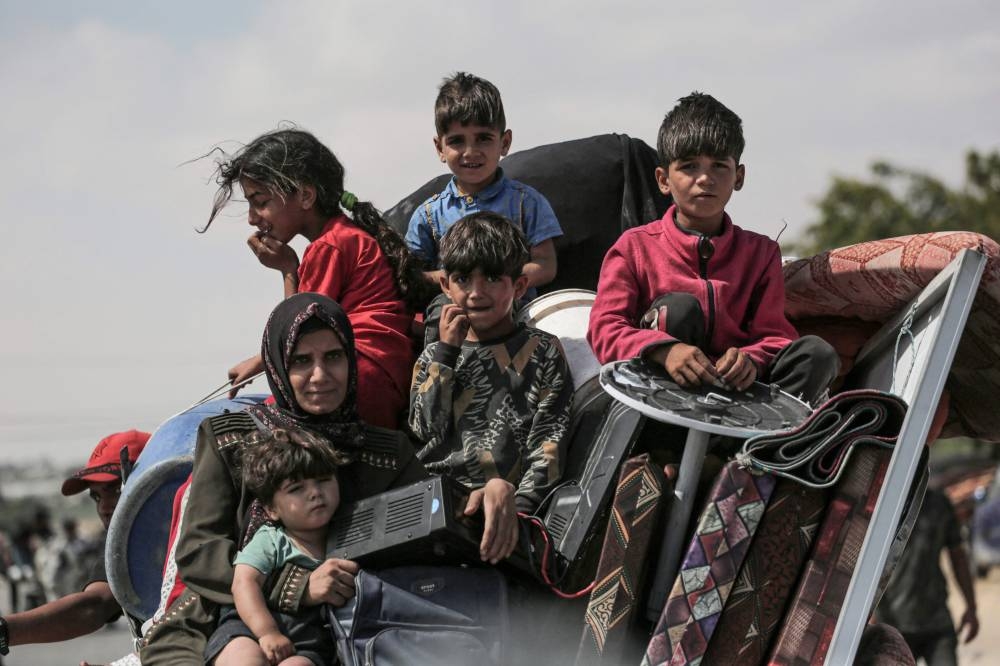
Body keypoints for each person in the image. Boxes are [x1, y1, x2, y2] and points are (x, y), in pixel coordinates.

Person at [139, 293, 429, 665]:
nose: (320, 376)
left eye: (334, 357)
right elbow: (200, 550)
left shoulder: (388, 454)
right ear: (277, 365)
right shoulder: (230, 439)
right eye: (301, 361)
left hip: (354, 628)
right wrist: (296, 586)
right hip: (222, 618)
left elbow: (430, 536)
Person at [587, 92, 838, 405]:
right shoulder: (634, 247)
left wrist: (751, 359)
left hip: (741, 399)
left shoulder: (760, 254)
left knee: (816, 353)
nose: (705, 178)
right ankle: (668, 449)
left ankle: (750, 452)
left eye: (719, 166)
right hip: (662, 399)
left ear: (739, 176)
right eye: (689, 166)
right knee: (678, 310)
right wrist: (664, 349)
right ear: (664, 180)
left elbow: (775, 334)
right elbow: (604, 330)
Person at [209, 128, 430, 428]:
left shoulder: (328, 246)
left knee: (245, 430)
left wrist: (288, 269)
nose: (251, 217)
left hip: (357, 380)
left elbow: (297, 332)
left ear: (305, 195)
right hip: (379, 377)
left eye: (259, 201)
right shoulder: (347, 235)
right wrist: (260, 361)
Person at [409, 211, 574, 564]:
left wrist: (520, 510)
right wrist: (445, 354)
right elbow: (425, 430)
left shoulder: (542, 352)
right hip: (439, 508)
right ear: (445, 285)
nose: (476, 292)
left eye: (493, 278)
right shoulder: (433, 355)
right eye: (463, 278)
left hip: (508, 511)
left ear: (518, 286)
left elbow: (549, 446)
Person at [404, 72, 564, 343]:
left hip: (514, 314)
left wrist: (499, 282)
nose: (470, 151)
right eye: (456, 141)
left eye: (483, 138)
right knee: (437, 316)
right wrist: (460, 282)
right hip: (452, 323)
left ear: (504, 142)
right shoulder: (428, 216)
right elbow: (413, 277)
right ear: (439, 148)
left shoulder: (527, 203)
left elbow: (546, 265)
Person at [208, 427, 351, 666]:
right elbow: (244, 583)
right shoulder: (271, 540)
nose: (315, 493)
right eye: (296, 489)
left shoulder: (351, 533)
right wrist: (267, 632)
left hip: (310, 641)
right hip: (250, 626)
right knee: (243, 658)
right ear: (271, 509)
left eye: (323, 480)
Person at [0, 430, 150, 658]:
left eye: (115, 490)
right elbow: (94, 605)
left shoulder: (193, 534)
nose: (103, 507)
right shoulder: (125, 548)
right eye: (97, 497)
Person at [875, 486, 979, 666]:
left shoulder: (938, 504)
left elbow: (958, 558)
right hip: (893, 627)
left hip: (937, 625)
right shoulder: (881, 507)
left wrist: (971, 607)